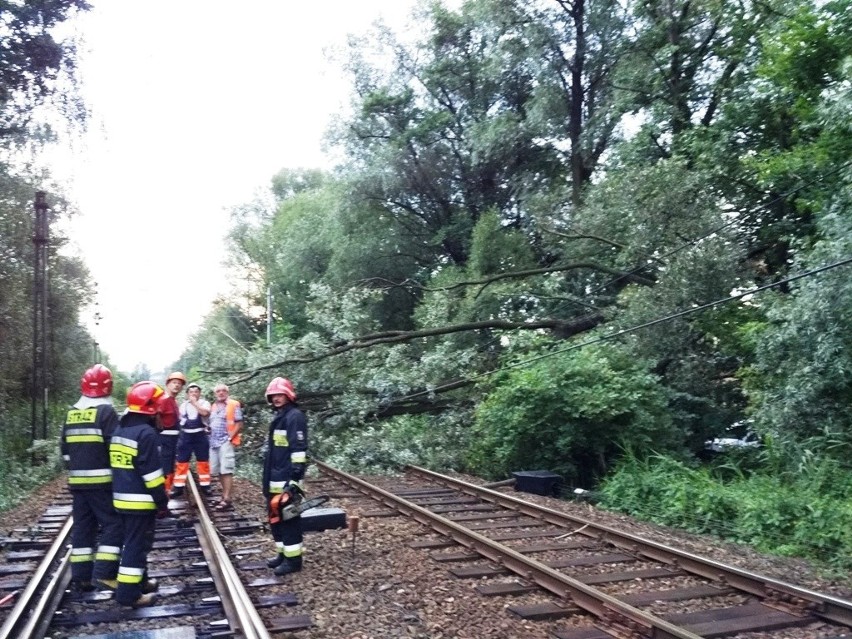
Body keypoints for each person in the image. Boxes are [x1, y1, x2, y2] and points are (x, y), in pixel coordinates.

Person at [60, 364, 123, 592]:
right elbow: (114, 447)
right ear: (109, 386)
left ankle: (81, 576)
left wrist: (76, 470)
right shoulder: (106, 412)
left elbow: (64, 449)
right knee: (114, 525)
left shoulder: (72, 412)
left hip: (77, 483)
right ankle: (106, 574)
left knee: (83, 527)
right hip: (102, 483)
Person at [109, 381, 169, 608]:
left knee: (135, 542)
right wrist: (162, 501)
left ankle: (141, 582)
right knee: (135, 546)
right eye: (159, 407)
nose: (162, 411)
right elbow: (152, 476)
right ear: (150, 407)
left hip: (122, 499)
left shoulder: (121, 429)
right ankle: (128, 594)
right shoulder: (146, 434)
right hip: (140, 502)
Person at [262, 377, 308, 575]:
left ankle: (293, 561)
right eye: (274, 396)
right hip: (274, 480)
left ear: (288, 395)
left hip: (286, 481)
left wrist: (294, 481)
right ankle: (282, 554)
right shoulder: (280, 416)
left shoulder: (294, 417)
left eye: (280, 395)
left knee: (289, 520)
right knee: (275, 519)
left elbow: (298, 452)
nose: (277, 399)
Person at [171, 382, 212, 497]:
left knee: (203, 461)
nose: (193, 394)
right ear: (187, 394)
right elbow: (179, 420)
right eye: (191, 392)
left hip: (200, 434)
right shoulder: (183, 405)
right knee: (182, 462)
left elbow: (204, 413)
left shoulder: (205, 403)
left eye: (196, 391)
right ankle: (178, 487)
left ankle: (205, 485)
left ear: (199, 393)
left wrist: (194, 403)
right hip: (186, 436)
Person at [208, 382, 243, 511]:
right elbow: (213, 422)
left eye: (223, 391)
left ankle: (227, 498)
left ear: (227, 392)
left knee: (226, 470)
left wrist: (229, 438)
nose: (221, 393)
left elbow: (239, 424)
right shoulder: (213, 406)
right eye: (218, 391)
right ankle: (223, 496)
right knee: (218, 470)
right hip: (213, 441)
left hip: (225, 441)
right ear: (215, 394)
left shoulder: (234, 404)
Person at [157, 371, 186, 494]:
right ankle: (163, 496)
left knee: (169, 468)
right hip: (165, 440)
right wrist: (160, 429)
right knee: (165, 469)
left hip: (172, 440)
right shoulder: (163, 399)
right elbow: (157, 414)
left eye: (179, 383)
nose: (177, 385)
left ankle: (166, 495)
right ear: (168, 384)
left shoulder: (173, 401)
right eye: (174, 382)